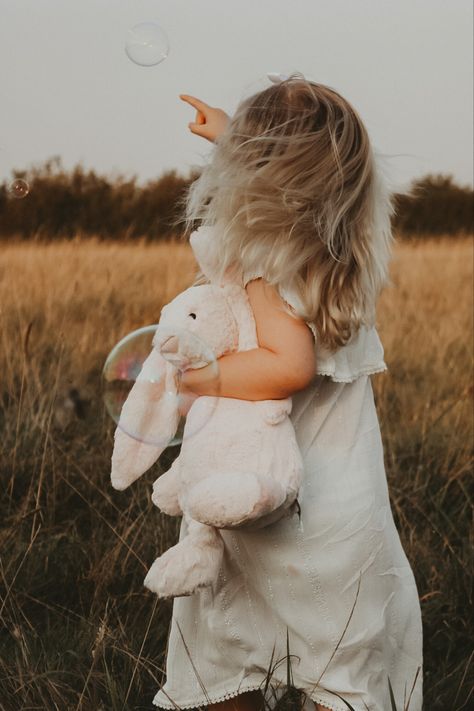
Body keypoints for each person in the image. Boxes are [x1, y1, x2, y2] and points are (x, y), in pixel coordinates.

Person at [151, 74, 423, 711]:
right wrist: (229, 137)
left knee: (226, 644)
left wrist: (206, 378)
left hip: (267, 501)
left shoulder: (258, 262)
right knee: (340, 661)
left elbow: (289, 363)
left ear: (256, 178)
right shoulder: (337, 256)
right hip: (342, 514)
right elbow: (300, 184)